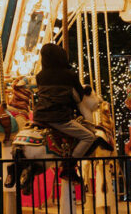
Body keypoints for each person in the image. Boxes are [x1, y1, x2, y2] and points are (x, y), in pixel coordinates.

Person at [33, 43, 96, 184]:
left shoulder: (40, 76)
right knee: (88, 136)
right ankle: (69, 167)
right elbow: (79, 97)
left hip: (39, 116)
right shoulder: (68, 75)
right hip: (58, 117)